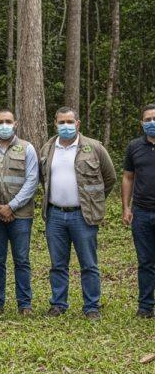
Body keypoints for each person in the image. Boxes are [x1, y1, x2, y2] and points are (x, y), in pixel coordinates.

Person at [39, 106, 116, 320]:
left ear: (78, 123)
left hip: (83, 215)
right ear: (55, 124)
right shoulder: (47, 148)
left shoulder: (94, 147)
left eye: (69, 122)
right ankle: (58, 304)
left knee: (89, 264)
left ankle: (91, 307)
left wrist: (93, 201)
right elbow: (43, 178)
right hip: (55, 215)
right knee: (57, 265)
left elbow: (110, 178)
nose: (66, 126)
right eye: (61, 122)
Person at [0, 109, 39, 315]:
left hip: (21, 215)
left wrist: (11, 206)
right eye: (0, 122)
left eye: (8, 121)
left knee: (21, 260)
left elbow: (32, 181)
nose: (4, 125)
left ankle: (24, 304)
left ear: (15, 124)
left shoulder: (27, 148)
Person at [123, 103, 155, 319]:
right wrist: (126, 207)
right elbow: (128, 177)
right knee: (145, 261)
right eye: (148, 119)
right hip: (142, 212)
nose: (152, 122)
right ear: (141, 123)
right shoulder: (134, 147)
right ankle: (145, 307)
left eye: (154, 118)